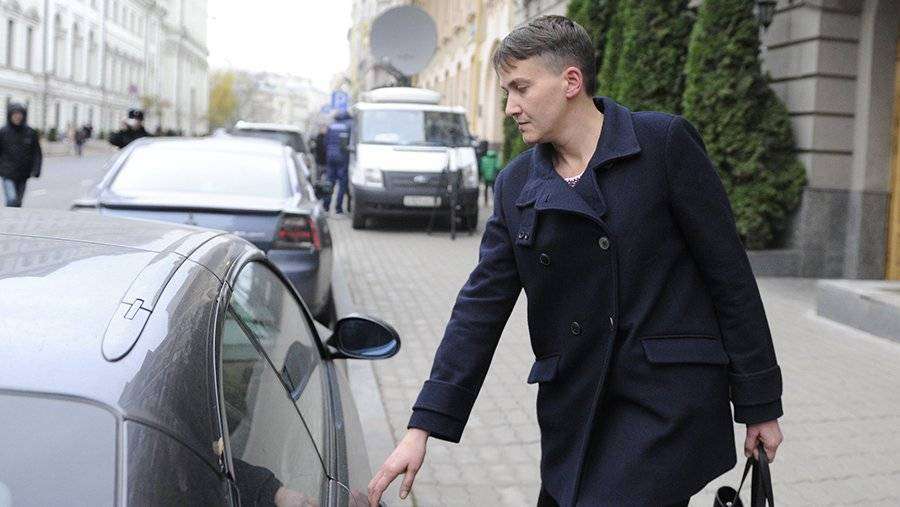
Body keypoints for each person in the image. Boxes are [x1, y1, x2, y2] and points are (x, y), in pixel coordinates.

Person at [368, 15, 784, 507]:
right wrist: (422, 425)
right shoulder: (516, 185)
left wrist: (759, 403)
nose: (510, 107)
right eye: (506, 91)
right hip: (576, 405)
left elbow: (729, 276)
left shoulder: (662, 144)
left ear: (571, 81)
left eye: (521, 88)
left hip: (666, 404)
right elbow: (480, 307)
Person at [0, 103, 42, 208]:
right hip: (7, 172)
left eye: (19, 114)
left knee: (18, 202)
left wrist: (36, 170)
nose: (17, 117)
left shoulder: (30, 133)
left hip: (23, 173)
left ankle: (12, 216)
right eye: (14, 114)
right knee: (12, 199)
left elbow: (36, 153)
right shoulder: (3, 132)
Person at [322, 110, 352, 214]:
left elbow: (325, 142)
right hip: (343, 158)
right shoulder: (348, 126)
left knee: (329, 182)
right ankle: (338, 208)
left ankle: (326, 206)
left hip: (330, 157)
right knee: (342, 183)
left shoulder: (331, 126)